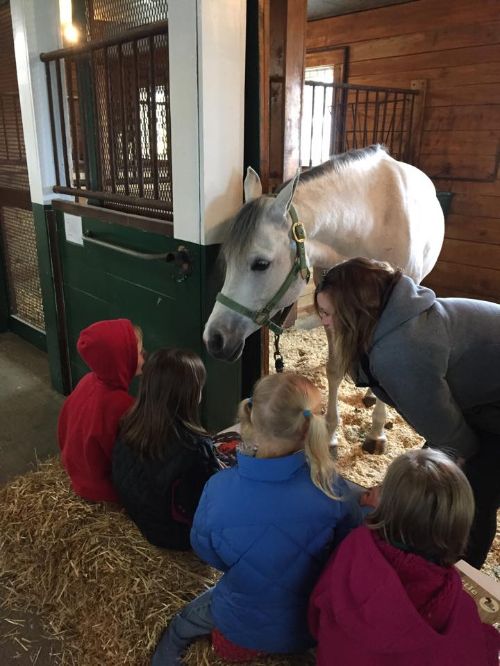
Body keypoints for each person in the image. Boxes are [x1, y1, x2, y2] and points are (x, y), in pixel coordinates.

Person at [151, 372, 364, 665]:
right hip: (308, 629)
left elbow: (204, 550)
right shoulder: (333, 491)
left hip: (238, 631)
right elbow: (348, 549)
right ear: (308, 429)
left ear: (250, 417)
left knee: (182, 623)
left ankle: (163, 657)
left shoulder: (218, 488)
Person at [314, 256, 500, 569]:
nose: (323, 323)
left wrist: (404, 492)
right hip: (486, 395)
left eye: (328, 313)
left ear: (354, 312)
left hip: (492, 402)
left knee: (469, 493)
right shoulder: (391, 318)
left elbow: (456, 442)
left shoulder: (401, 351)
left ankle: (459, 577)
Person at [309, 448, 500, 666]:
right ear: (458, 527)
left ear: (387, 507)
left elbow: (317, 610)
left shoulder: (354, 545)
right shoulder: (453, 600)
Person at [112, 348, 220, 550]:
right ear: (191, 394)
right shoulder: (194, 448)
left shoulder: (129, 423)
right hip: (173, 535)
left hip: (137, 515)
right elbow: (207, 505)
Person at [58, 318, 144, 503]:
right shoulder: (121, 405)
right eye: (137, 353)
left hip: (77, 472)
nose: (144, 356)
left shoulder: (88, 380)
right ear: (121, 358)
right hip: (101, 489)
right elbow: (129, 460)